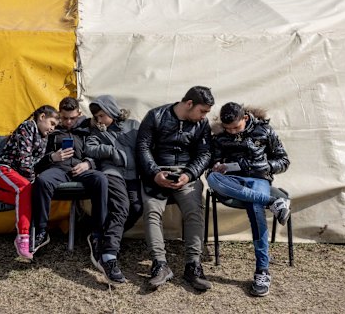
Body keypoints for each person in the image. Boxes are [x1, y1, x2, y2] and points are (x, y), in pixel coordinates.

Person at [206, 102, 291, 297]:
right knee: (212, 178)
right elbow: (213, 164)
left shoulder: (265, 131)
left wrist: (265, 166)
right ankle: (271, 201)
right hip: (231, 181)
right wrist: (218, 166)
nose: (232, 131)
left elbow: (284, 161)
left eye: (236, 127)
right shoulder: (219, 137)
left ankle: (262, 270)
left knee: (255, 208)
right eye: (228, 129)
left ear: (245, 117)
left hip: (258, 179)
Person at [137, 86, 214, 291]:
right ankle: (160, 265)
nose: (204, 116)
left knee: (194, 211)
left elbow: (205, 154)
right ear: (189, 104)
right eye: (203, 111)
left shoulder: (202, 124)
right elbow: (142, 147)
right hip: (156, 175)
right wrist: (155, 173)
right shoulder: (156, 116)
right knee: (152, 211)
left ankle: (193, 266)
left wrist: (188, 174)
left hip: (186, 176)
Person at [32, 97, 109, 270]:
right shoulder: (51, 128)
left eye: (72, 118)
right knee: (42, 180)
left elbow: (99, 151)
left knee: (101, 180)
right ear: (59, 114)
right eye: (64, 118)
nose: (68, 122)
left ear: (79, 114)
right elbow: (36, 159)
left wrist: (88, 163)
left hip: (82, 170)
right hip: (58, 170)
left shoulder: (89, 127)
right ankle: (42, 231)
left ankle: (97, 233)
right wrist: (53, 157)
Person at [84, 95, 142, 283]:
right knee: (121, 206)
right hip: (112, 172)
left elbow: (145, 145)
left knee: (136, 208)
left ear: (111, 110)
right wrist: (110, 151)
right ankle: (108, 256)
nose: (99, 120)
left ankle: (102, 238)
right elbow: (89, 148)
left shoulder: (133, 126)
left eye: (102, 115)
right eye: (97, 117)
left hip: (133, 175)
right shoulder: (99, 132)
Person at [0, 105, 59, 261]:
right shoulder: (28, 126)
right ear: (42, 117)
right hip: (4, 170)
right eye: (52, 123)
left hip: (22, 178)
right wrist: (33, 181)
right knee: (26, 188)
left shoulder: (44, 137)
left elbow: (37, 163)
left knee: (28, 196)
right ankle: (22, 237)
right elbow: (24, 160)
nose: (52, 128)